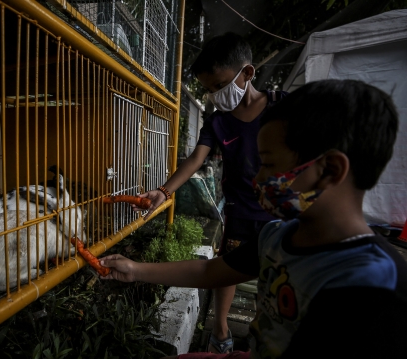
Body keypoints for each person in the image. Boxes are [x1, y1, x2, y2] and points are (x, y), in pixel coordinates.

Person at [104, 79, 407, 358]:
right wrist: (134, 269)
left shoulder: (375, 284)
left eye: (269, 164)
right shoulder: (276, 236)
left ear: (330, 171)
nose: (257, 179)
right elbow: (211, 272)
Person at [133, 32, 287, 353]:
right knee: (226, 269)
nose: (216, 95)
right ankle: (220, 328)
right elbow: (195, 159)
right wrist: (165, 191)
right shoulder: (217, 122)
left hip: (280, 211)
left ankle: (263, 332)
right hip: (240, 211)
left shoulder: (281, 106)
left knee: (276, 279)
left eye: (220, 85)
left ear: (247, 73)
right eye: (209, 89)